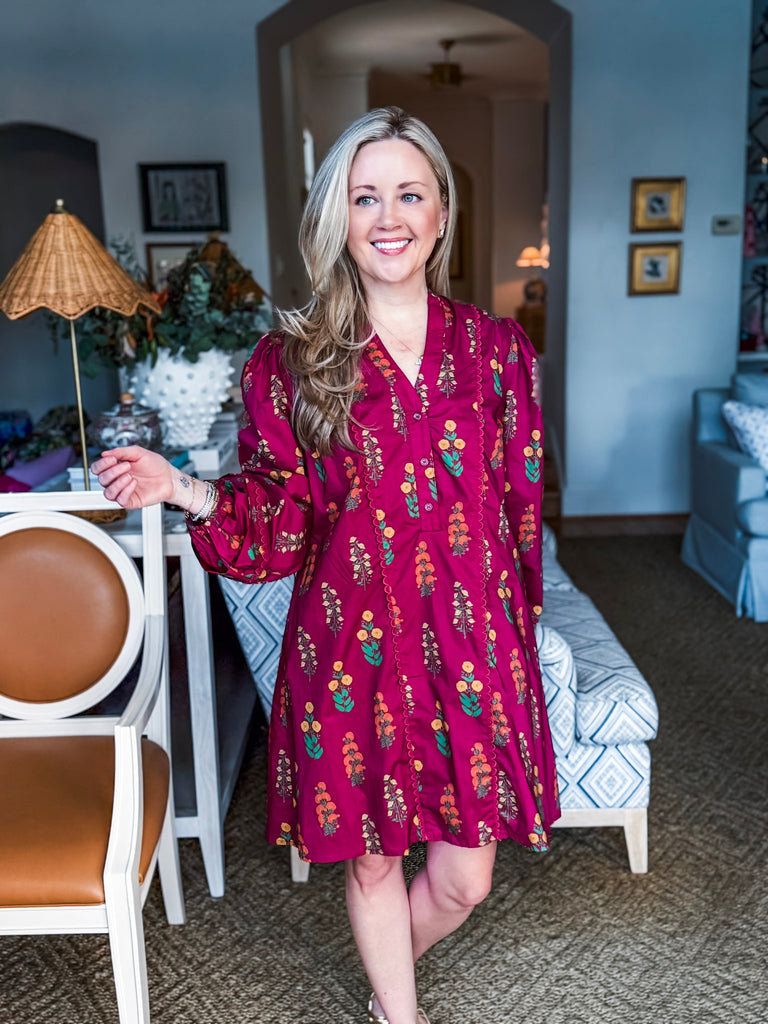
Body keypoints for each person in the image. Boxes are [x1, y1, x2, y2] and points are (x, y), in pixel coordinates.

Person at [93, 106, 559, 1024]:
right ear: (337, 217)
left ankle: (390, 981)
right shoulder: (293, 361)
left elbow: (520, 504)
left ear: (441, 212)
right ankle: (398, 1013)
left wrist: (521, 630)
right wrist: (184, 488)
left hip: (472, 643)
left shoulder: (497, 350)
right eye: (364, 196)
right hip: (354, 646)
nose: (388, 217)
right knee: (374, 858)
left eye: (409, 194)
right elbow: (280, 515)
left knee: (464, 880)